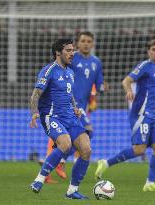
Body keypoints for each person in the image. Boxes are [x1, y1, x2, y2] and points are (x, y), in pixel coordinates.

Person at [95, 38, 155, 192]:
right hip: (141, 114)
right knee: (139, 150)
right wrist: (128, 90)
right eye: (154, 50)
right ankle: (106, 163)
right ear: (149, 52)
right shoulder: (145, 66)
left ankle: (149, 183)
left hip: (153, 115)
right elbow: (126, 80)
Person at [29, 39, 91, 199]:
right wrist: (34, 112)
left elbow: (69, 94)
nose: (72, 53)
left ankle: (72, 191)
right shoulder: (49, 70)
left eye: (73, 50)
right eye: (69, 50)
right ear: (58, 52)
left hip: (70, 117)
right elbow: (36, 93)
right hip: (52, 116)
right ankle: (39, 179)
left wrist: (75, 108)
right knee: (65, 143)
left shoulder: (70, 72)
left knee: (86, 149)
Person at [42, 31, 108, 183]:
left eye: (88, 41)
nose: (86, 43)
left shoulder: (96, 62)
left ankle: (53, 166)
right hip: (69, 103)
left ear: (92, 44)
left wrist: (102, 88)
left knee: (72, 138)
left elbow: (98, 85)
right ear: (78, 43)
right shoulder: (71, 57)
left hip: (81, 106)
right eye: (83, 41)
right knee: (88, 131)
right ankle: (61, 161)